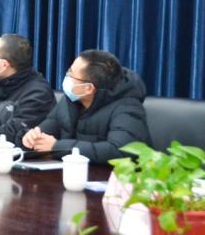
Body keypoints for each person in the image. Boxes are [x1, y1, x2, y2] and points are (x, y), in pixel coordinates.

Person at [22, 49, 150, 164]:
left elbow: (120, 151)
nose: (66, 76)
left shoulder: (127, 107)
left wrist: (57, 147)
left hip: (112, 179)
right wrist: (33, 137)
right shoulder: (70, 100)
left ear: (88, 88)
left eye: (71, 74)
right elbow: (47, 130)